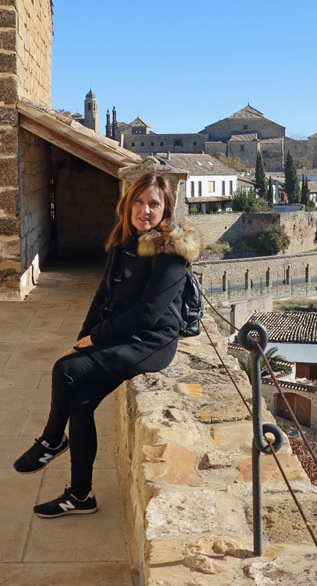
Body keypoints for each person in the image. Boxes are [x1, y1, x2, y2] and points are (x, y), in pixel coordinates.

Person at [13, 172, 199, 517]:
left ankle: (51, 441)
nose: (145, 210)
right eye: (139, 202)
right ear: (128, 205)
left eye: (154, 204)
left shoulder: (171, 251)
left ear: (166, 209)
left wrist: (96, 339)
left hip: (152, 342)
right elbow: (102, 298)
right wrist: (81, 340)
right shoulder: (124, 242)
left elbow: (147, 314)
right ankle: (80, 496)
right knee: (80, 403)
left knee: (65, 370)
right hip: (123, 335)